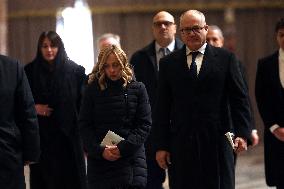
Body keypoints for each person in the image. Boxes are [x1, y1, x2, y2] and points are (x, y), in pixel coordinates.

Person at [154, 10, 252, 189]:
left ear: (205, 29)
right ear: (181, 33)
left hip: (217, 142)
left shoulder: (226, 59)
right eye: (186, 30)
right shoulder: (168, 64)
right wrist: (161, 145)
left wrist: (243, 134)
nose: (191, 33)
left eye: (196, 28)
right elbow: (162, 108)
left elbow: (240, 99)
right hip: (181, 144)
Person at [79, 45, 151, 189]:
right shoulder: (92, 90)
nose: (111, 70)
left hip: (130, 159)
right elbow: (84, 126)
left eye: (115, 65)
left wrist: (122, 148)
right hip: (100, 161)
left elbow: (144, 125)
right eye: (107, 66)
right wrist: (100, 151)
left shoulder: (137, 88)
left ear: (123, 64)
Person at [24, 31, 87, 189]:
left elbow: (84, 107)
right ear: (39, 48)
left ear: (59, 47)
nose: (49, 50)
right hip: (42, 143)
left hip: (69, 142)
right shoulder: (29, 72)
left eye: (53, 45)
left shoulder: (75, 71)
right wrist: (34, 108)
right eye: (44, 46)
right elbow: (19, 103)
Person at [130, 11, 183, 189]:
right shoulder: (139, 58)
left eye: (167, 23)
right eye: (158, 24)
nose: (162, 27)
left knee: (183, 180)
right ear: (152, 29)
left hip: (181, 128)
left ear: (175, 28)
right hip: (150, 131)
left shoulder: (188, 54)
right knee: (151, 182)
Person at [206, 25, 259, 147]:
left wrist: (252, 128)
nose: (211, 43)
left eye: (215, 39)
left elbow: (243, 97)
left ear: (222, 41)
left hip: (229, 126)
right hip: (205, 127)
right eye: (207, 40)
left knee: (228, 164)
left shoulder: (234, 63)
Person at [0, 55, 40, 189]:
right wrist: (30, 153)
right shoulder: (12, 67)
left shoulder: (14, 67)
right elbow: (28, 113)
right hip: (8, 150)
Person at [255, 18, 284, 189]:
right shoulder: (265, 64)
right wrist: (274, 127)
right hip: (276, 133)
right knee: (280, 180)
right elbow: (261, 97)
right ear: (276, 36)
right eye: (282, 35)